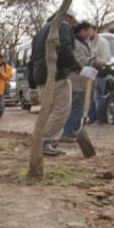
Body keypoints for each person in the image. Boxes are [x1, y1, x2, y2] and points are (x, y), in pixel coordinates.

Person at [30, 13, 80, 155]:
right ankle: (44, 141)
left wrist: (32, 84)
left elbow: (31, 60)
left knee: (48, 109)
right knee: (61, 108)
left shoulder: (39, 33)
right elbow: (64, 48)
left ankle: (40, 140)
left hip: (39, 75)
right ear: (67, 18)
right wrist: (78, 68)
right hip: (55, 73)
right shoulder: (62, 26)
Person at [61, 22, 96, 140]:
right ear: (82, 31)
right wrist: (94, 61)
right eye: (88, 31)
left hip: (81, 80)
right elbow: (80, 61)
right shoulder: (76, 44)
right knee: (77, 108)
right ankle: (69, 133)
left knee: (77, 108)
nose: (89, 34)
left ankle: (72, 132)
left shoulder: (82, 43)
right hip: (77, 81)